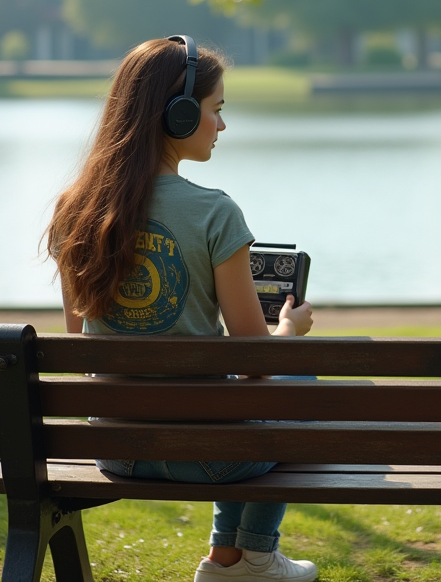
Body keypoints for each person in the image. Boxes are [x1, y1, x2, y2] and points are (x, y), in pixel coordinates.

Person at [46, 36, 317, 582]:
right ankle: (256, 555)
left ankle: (227, 559)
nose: (221, 126)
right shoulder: (215, 214)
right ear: (180, 114)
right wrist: (287, 329)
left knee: (251, 401)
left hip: (114, 450)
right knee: (298, 377)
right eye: (216, 110)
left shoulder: (76, 210)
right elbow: (258, 363)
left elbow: (81, 349)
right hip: (210, 457)